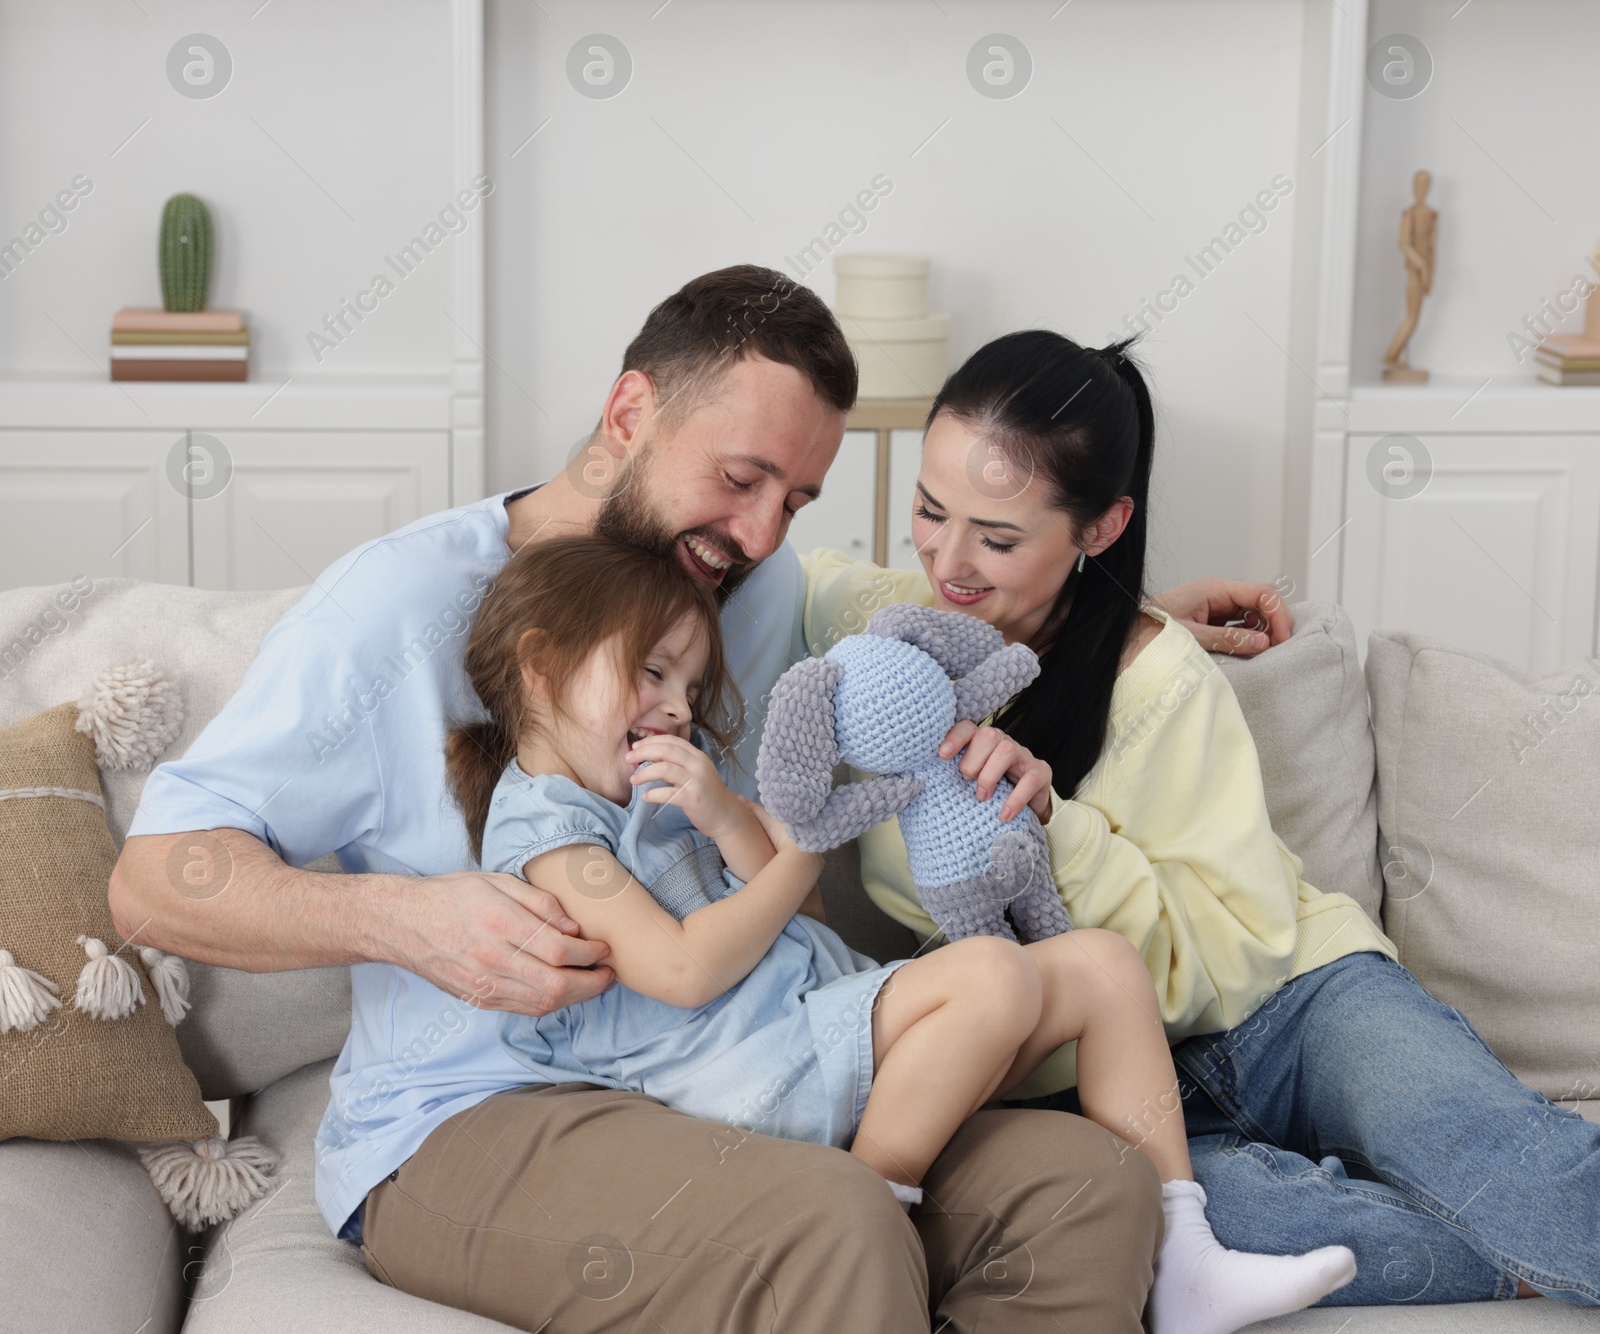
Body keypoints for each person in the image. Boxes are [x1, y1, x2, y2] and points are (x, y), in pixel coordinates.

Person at [111, 265, 1291, 1333]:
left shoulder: (747, 584)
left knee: (1087, 1189)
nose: (762, 531)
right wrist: (406, 921)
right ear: (630, 415)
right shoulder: (396, 608)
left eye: (798, 498)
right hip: (484, 1108)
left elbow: (912, 628)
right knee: (833, 1220)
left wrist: (1122, 629)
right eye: (741, 478)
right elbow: (156, 880)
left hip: (732, 1055)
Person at [801, 327, 1600, 1309]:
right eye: (929, 510)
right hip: (1109, 1079)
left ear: (1098, 528)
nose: (949, 561)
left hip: (1294, 1000)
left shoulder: (1165, 682)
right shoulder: (883, 630)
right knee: (1187, 1232)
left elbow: (1236, 943)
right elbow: (761, 563)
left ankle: (1525, 1226)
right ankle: (1510, 1260)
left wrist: (1051, 821)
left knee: (1493, 1155)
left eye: (998, 537)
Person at [443, 533, 1357, 1334]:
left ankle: (1184, 1256)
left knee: (1105, 967)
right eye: (652, 673)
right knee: (995, 977)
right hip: (741, 1072)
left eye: (687, 683)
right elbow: (683, 972)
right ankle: (872, 1206)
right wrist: (805, 845)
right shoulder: (550, 834)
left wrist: (729, 820)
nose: (679, 707)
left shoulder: (664, 788)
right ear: (540, 666)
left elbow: (800, 917)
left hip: (807, 1030)